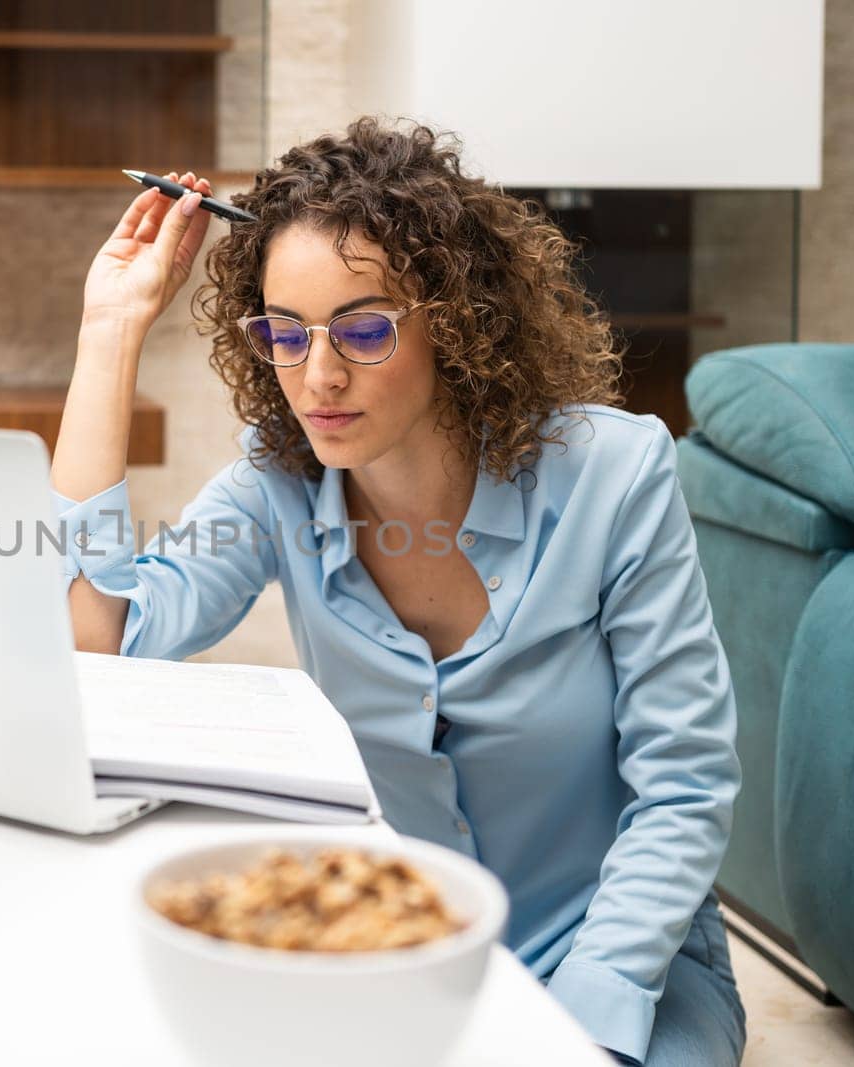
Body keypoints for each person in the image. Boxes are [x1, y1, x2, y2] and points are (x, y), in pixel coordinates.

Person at [49, 117, 746, 1066]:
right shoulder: (277, 480)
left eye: (365, 328)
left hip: (622, 957)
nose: (318, 375)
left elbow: (684, 784)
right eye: (284, 334)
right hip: (402, 954)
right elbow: (102, 641)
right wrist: (109, 332)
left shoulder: (617, 474)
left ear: (456, 322)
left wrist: (573, 1026)